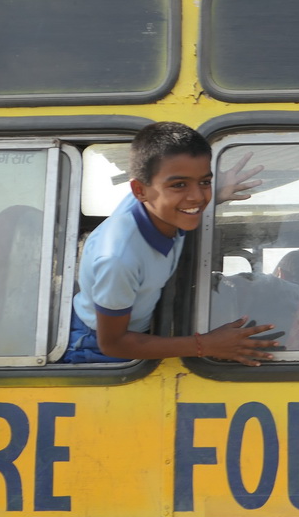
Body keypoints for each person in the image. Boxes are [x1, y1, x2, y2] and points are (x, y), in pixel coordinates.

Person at [63, 122, 276, 364]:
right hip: (96, 347)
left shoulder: (167, 209)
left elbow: (186, 194)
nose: (197, 196)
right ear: (139, 191)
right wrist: (205, 345)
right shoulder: (119, 258)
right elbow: (112, 343)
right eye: (179, 185)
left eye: (204, 182)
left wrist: (215, 190)